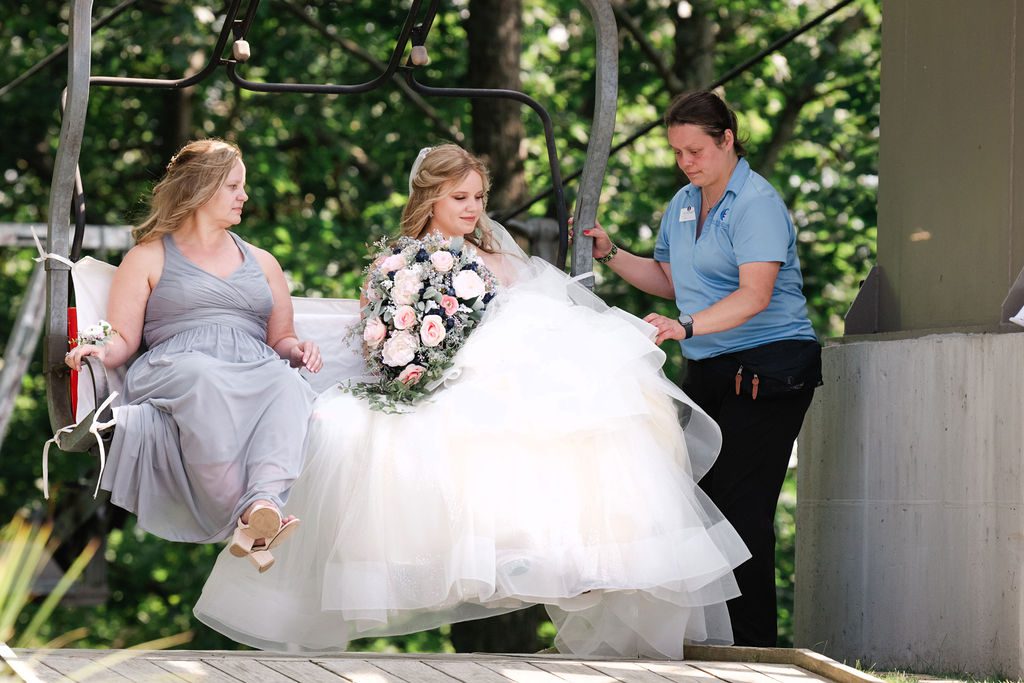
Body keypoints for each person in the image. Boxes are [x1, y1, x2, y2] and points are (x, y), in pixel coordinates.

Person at [194, 144, 749, 659]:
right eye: (459, 197)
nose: (473, 207)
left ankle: (580, 561)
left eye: (479, 197)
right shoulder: (399, 263)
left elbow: (534, 312)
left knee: (589, 421)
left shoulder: (495, 256)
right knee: (350, 430)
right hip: (433, 375)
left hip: (503, 368)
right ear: (430, 198)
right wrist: (412, 356)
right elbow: (380, 333)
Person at [582, 91, 822, 646]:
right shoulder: (685, 202)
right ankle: (713, 638)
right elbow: (671, 280)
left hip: (768, 369)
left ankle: (754, 645)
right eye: (677, 152)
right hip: (710, 370)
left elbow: (755, 296)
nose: (686, 162)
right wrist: (611, 253)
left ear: (727, 140)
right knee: (697, 502)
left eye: (695, 150)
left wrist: (684, 327)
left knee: (740, 509)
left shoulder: (756, 203)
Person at [63, 139, 323, 571]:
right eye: (234, 186)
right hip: (178, 366)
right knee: (205, 377)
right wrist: (100, 350)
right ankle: (244, 515)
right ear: (202, 189)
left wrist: (299, 350)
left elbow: (282, 340)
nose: (245, 196)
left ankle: (261, 507)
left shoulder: (263, 262)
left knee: (287, 383)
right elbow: (125, 337)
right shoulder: (147, 257)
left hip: (254, 367)